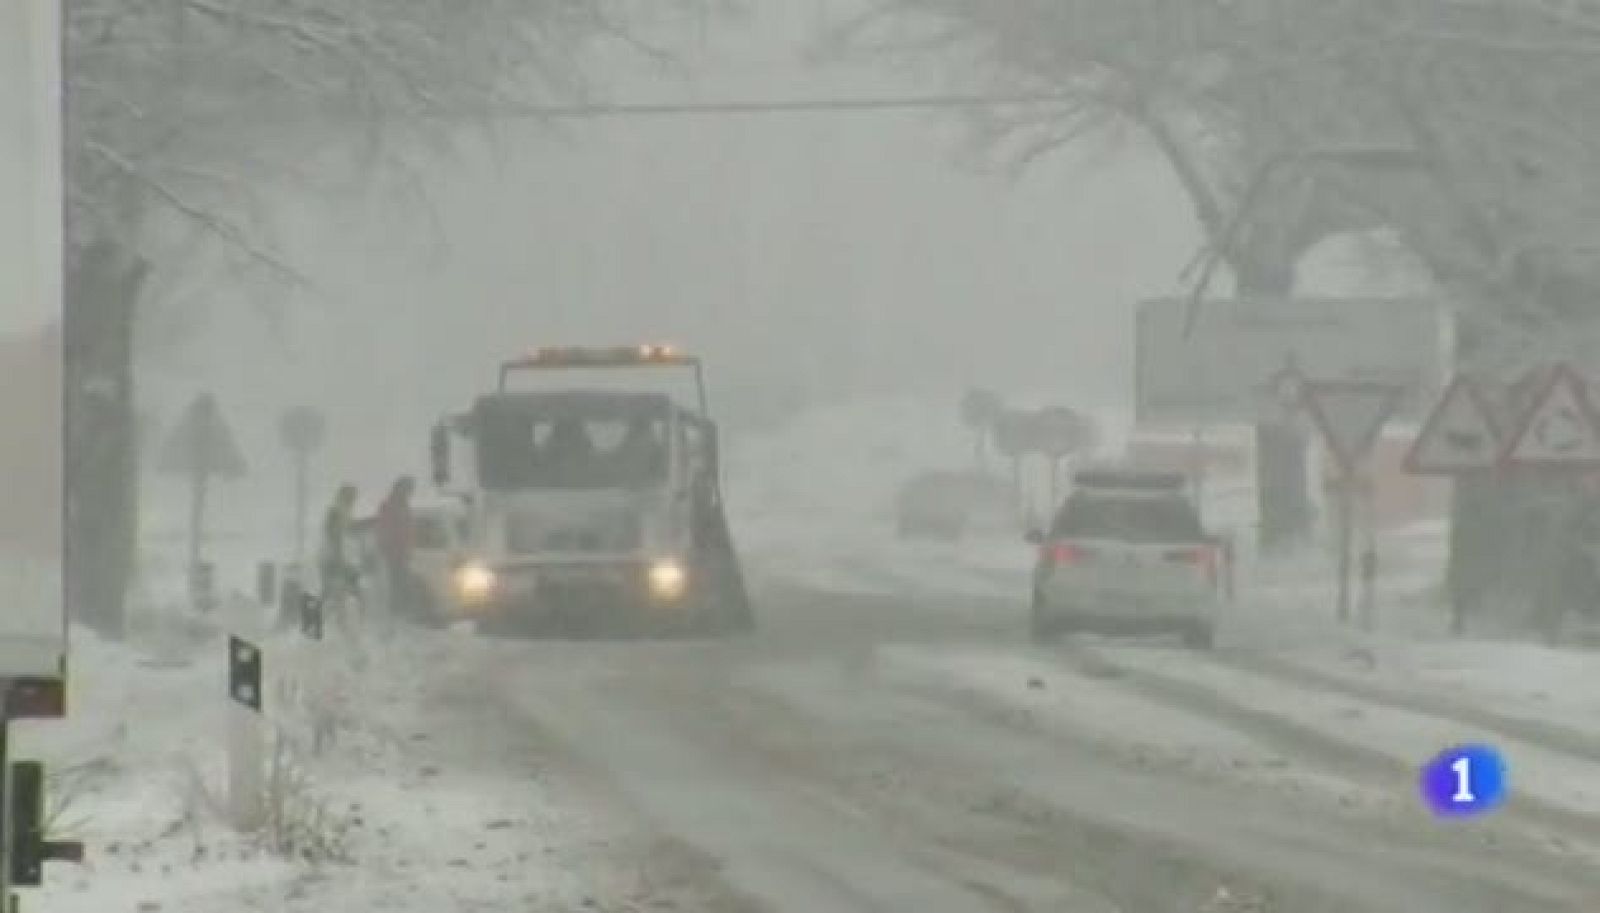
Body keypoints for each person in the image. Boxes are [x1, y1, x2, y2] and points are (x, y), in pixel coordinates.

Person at [373, 476, 421, 623]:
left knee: (402, 582)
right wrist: (388, 546)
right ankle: (397, 614)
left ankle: (402, 612)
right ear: (401, 488)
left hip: (403, 552)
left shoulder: (404, 505)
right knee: (398, 583)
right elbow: (384, 529)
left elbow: (407, 529)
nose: (410, 492)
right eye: (408, 488)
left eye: (411, 489)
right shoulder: (389, 506)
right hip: (394, 552)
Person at [317, 484, 362, 634]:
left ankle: (332, 626)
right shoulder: (337, 511)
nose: (354, 500)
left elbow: (344, 536)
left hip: (333, 559)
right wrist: (340, 561)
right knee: (334, 593)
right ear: (346, 496)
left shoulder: (342, 511)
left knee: (334, 593)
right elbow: (335, 537)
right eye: (352, 496)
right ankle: (320, 626)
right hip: (332, 560)